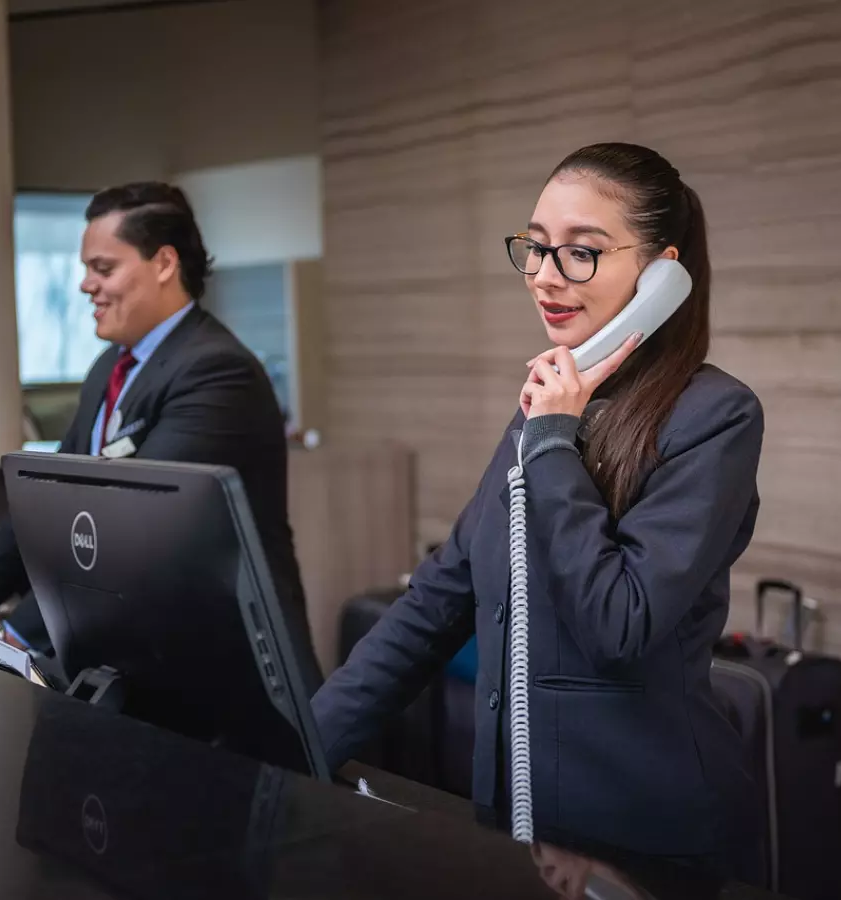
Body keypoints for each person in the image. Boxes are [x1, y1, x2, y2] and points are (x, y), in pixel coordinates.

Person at [312, 143, 764, 878]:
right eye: (537, 248)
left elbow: (622, 622)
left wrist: (554, 436)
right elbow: (437, 601)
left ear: (662, 276)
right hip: (515, 828)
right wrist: (298, 744)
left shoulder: (714, 417)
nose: (546, 277)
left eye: (581, 253)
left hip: (642, 843)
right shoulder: (548, 408)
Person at [0, 182, 320, 688]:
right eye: (86, 268)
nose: (86, 285)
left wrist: (8, 644)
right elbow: (47, 507)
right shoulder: (110, 367)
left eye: (103, 268)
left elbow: (126, 535)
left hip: (227, 676)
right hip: (142, 661)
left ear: (164, 264)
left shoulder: (216, 373)